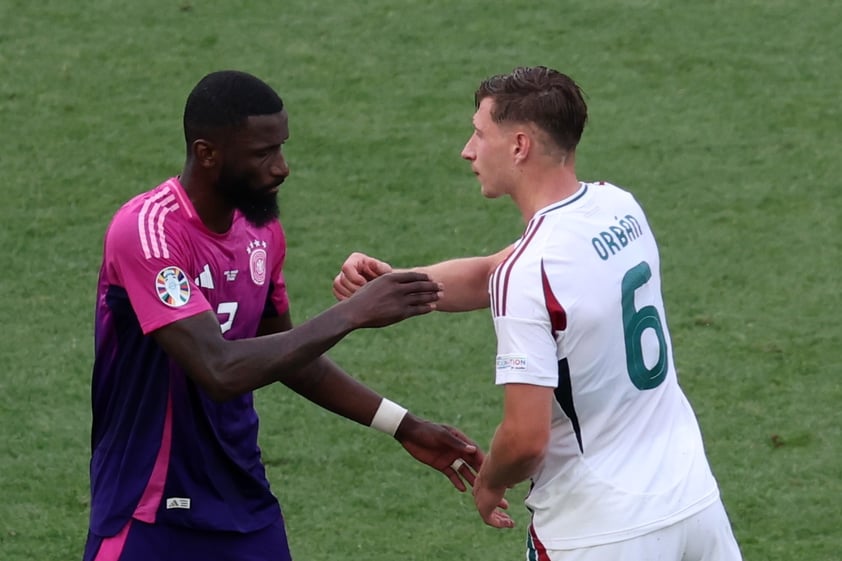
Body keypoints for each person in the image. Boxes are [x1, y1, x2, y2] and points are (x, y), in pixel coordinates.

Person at [333, 66, 743, 560]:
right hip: (693, 506)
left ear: (520, 146)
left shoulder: (529, 273)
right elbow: (493, 272)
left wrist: (488, 484)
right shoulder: (619, 208)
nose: (468, 149)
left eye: (480, 133)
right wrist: (395, 285)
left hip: (598, 531)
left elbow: (526, 440)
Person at [84, 70, 490, 561]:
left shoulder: (260, 233)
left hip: (243, 506)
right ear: (207, 153)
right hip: (148, 512)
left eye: (281, 147)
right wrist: (352, 314)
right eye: (262, 154)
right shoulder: (148, 232)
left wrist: (404, 425)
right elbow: (219, 368)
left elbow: (290, 355)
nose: (281, 168)